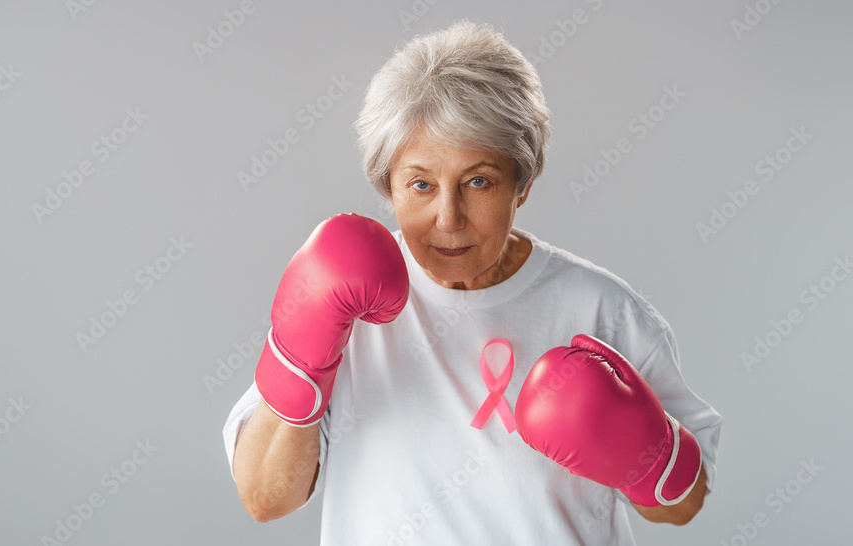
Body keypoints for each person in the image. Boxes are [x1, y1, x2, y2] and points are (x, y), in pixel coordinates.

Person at [223, 19, 723, 545]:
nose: (448, 217)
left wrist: (644, 458)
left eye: (478, 181)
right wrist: (305, 362)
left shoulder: (603, 311)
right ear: (388, 188)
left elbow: (683, 505)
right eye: (420, 185)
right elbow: (265, 499)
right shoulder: (343, 294)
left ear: (522, 184)